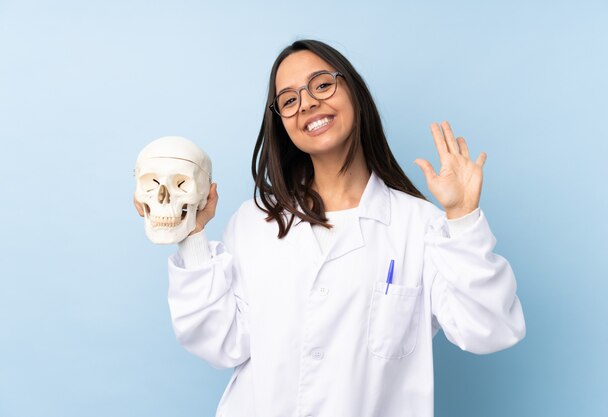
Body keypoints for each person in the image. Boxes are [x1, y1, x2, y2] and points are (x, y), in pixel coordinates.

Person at [139, 39, 526, 417]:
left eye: (322, 84)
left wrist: (461, 217)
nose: (307, 102)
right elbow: (219, 344)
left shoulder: (420, 225)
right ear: (282, 123)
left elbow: (489, 329)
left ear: (353, 92)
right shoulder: (255, 222)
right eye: (289, 99)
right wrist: (191, 237)